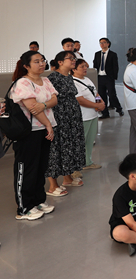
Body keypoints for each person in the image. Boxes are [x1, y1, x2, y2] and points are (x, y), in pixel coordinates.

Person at [9, 51, 58, 219]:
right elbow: (32, 107)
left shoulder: (46, 80)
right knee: (27, 168)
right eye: (36, 61)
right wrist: (48, 124)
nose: (41, 63)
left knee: (40, 167)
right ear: (26, 66)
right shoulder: (23, 82)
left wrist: (43, 105)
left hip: (44, 129)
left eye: (42, 60)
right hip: (28, 132)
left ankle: (38, 200)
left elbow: (54, 100)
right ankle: (24, 208)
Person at [46, 51, 86, 193]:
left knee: (69, 148)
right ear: (60, 62)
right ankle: (53, 185)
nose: (74, 60)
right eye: (70, 58)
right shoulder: (52, 78)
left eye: (74, 58)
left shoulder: (68, 77)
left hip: (72, 120)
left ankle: (67, 178)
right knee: (57, 149)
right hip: (59, 119)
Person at [72, 58, 105, 170]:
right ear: (74, 69)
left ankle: (88, 162)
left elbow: (95, 93)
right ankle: (77, 164)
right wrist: (96, 105)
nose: (85, 68)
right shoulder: (73, 82)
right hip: (83, 116)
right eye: (82, 67)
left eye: (85, 66)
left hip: (93, 115)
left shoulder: (87, 79)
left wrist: (101, 103)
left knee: (90, 141)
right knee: (81, 141)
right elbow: (80, 100)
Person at [93, 37, 124, 119]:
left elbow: (115, 66)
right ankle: (105, 113)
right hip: (99, 77)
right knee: (101, 95)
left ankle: (119, 108)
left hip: (109, 77)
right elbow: (95, 65)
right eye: (100, 43)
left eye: (103, 42)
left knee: (112, 94)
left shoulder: (113, 54)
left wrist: (114, 77)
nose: (102, 44)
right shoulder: (97, 54)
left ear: (108, 44)